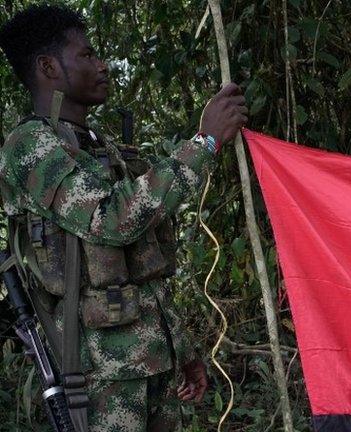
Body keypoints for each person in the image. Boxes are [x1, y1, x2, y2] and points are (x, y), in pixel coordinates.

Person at [0, 4, 246, 431]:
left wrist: (182, 351)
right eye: (88, 55)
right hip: (96, 377)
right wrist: (204, 142)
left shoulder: (99, 145)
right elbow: (111, 220)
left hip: (152, 365)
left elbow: (141, 267)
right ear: (47, 67)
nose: (102, 65)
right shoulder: (28, 147)